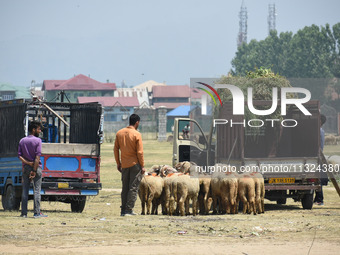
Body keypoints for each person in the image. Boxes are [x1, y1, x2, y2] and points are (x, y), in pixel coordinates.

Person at [114, 114, 145, 216]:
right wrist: (143, 166)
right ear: (137, 122)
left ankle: (123, 210)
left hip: (124, 165)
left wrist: (118, 163)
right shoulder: (137, 134)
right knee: (133, 187)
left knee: (125, 188)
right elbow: (140, 152)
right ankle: (129, 210)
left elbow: (115, 149)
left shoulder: (119, 133)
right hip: (135, 165)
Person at [18, 120, 47, 218]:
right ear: (33, 130)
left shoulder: (22, 140)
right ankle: (37, 213)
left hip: (26, 168)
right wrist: (34, 170)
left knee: (25, 190)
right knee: (37, 190)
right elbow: (37, 157)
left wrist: (27, 163)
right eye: (39, 129)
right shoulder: (38, 141)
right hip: (36, 168)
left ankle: (24, 213)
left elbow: (20, 156)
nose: (40, 131)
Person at [314, 114, 328, 206]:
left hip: (317, 157)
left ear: (320, 122)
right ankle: (317, 198)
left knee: (317, 179)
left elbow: (320, 147)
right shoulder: (319, 131)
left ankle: (320, 199)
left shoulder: (319, 131)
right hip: (317, 157)